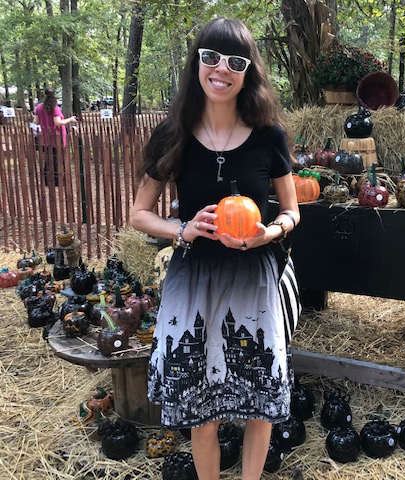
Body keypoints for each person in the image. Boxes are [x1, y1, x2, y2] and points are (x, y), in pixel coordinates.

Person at [129, 17, 300, 480]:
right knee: (201, 407)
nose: (220, 69)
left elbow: (292, 211)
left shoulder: (270, 136)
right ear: (196, 64)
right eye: (210, 56)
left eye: (235, 60)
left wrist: (270, 232)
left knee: (258, 405)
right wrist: (182, 228)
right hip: (194, 279)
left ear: (248, 72)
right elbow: (139, 214)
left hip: (253, 279)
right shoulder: (173, 134)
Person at [32, 88, 77, 186]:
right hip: (56, 137)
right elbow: (58, 123)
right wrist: (70, 119)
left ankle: (47, 180)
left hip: (45, 137)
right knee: (57, 159)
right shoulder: (54, 107)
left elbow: (35, 122)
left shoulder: (39, 107)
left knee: (48, 159)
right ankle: (57, 181)